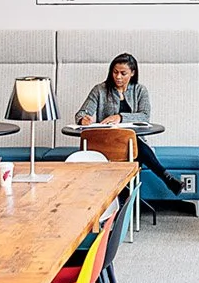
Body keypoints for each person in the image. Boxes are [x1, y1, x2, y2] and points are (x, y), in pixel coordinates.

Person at [74, 53, 185, 194]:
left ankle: (124, 200)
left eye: (123, 73)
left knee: (132, 142)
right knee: (136, 147)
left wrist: (120, 117)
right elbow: (81, 113)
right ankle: (166, 178)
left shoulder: (140, 90)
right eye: (115, 72)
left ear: (132, 73)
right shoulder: (100, 90)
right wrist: (83, 119)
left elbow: (144, 116)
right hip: (106, 144)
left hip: (131, 145)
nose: (118, 77)